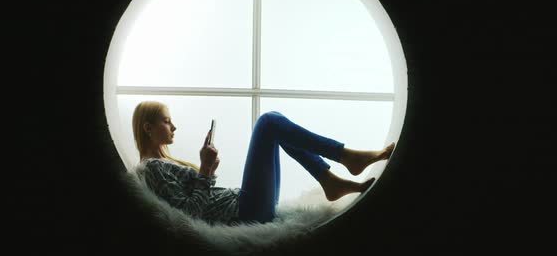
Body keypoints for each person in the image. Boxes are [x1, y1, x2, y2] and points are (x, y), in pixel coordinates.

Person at [132, 101, 395, 226]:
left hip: (244, 206)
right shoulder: (153, 169)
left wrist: (208, 171)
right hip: (244, 212)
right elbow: (188, 214)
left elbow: (197, 198)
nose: (174, 126)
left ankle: (330, 180)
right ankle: (346, 157)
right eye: (167, 121)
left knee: (276, 123)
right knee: (269, 122)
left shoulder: (162, 165)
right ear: (148, 128)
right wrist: (204, 171)